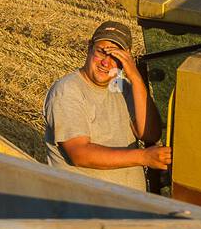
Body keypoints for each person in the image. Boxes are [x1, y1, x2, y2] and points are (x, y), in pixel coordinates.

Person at [42, 21, 170, 191]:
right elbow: (79, 154)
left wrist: (136, 79)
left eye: (116, 57)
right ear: (89, 47)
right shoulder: (67, 90)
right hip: (86, 208)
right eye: (102, 52)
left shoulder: (120, 86)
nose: (106, 63)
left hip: (125, 208)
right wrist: (144, 157)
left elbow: (149, 133)